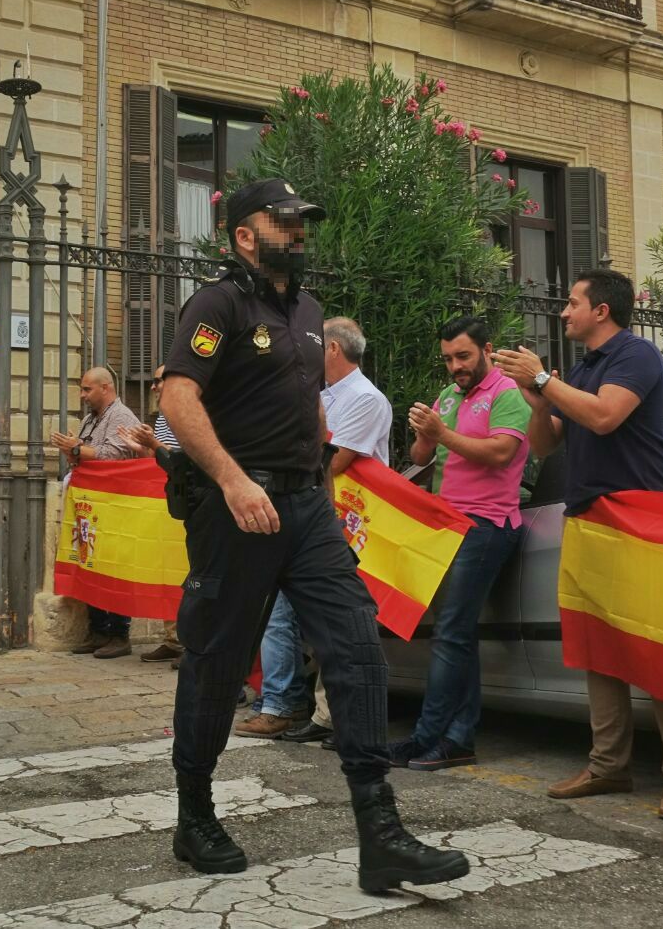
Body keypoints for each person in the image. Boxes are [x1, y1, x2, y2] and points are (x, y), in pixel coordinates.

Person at [160, 177, 468, 891]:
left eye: (302, 222)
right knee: (216, 659)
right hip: (239, 510)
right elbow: (176, 396)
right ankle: (194, 815)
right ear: (245, 235)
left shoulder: (307, 311)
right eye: (285, 222)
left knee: (357, 648)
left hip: (307, 508)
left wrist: (322, 495)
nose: (299, 232)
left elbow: (309, 411)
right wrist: (233, 480)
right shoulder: (217, 304)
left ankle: (381, 834)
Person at [494, 269, 663, 823]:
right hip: (587, 517)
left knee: (658, 650)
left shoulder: (637, 355)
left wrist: (543, 380)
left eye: (572, 302)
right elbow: (546, 446)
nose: (564, 312)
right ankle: (608, 765)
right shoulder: (583, 368)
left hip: (639, 517)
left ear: (602, 310)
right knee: (597, 647)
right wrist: (536, 402)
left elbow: (606, 417)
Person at [242, 317, 393, 743]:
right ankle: (287, 702)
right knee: (283, 613)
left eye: (312, 343)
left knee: (329, 619)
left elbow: (332, 461)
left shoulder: (366, 398)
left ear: (332, 349)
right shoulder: (320, 395)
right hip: (309, 515)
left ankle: (313, 712)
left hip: (342, 524)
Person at [390, 315, 531, 771]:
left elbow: (501, 453)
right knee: (457, 634)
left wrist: (442, 433)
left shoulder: (507, 393)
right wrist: (422, 434)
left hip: (487, 524)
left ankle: (429, 736)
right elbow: (421, 457)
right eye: (449, 359)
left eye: (464, 356)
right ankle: (456, 737)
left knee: (451, 632)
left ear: (487, 350)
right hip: (448, 525)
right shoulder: (449, 396)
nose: (456, 366)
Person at [53, 365, 143, 659]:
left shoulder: (122, 417)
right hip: (91, 507)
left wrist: (76, 448)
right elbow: (83, 456)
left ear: (106, 388)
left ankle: (119, 634)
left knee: (116, 568)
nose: (82, 395)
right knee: (90, 564)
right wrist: (73, 450)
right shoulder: (90, 419)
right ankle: (98, 630)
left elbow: (112, 456)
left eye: (87, 389)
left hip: (116, 506)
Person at [121, 364, 184, 664]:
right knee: (167, 569)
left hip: (189, 502)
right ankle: (173, 638)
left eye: (158, 381)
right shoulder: (162, 416)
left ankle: (191, 642)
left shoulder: (190, 410)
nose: (153, 386)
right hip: (167, 501)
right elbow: (159, 458)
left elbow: (183, 458)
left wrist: (153, 445)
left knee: (188, 572)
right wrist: (141, 448)